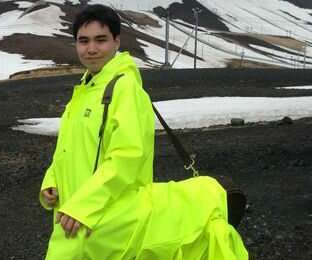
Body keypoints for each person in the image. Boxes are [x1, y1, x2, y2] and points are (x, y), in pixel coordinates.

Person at [39, 4, 248, 260]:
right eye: (84, 41)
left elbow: (127, 156)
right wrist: (52, 181)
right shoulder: (84, 90)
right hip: (73, 212)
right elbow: (68, 149)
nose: (91, 49)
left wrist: (84, 206)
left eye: (100, 40)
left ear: (116, 42)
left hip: (106, 215)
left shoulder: (125, 88)